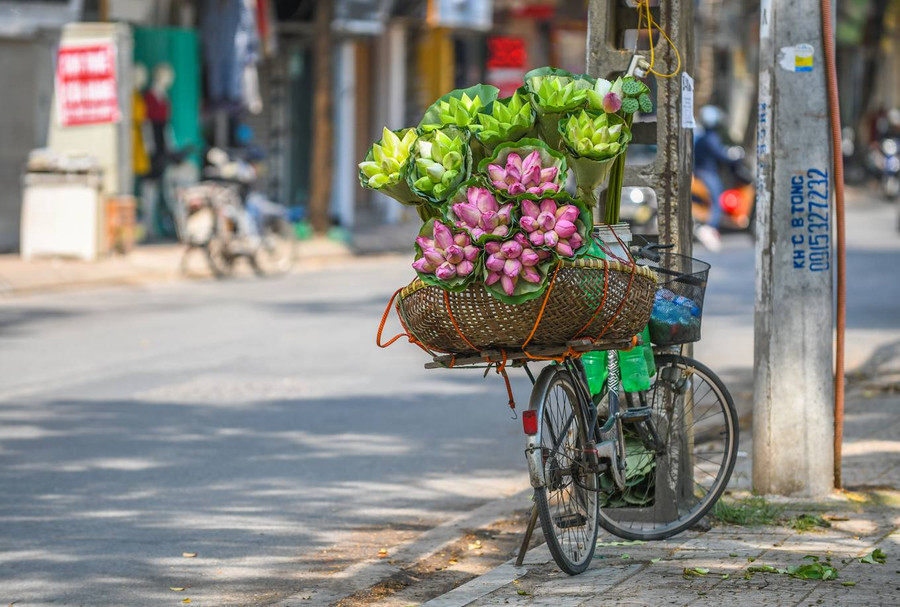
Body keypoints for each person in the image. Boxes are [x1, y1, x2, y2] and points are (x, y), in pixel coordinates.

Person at [693, 105, 737, 252]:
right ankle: (710, 228)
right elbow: (721, 154)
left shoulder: (701, 137)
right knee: (717, 201)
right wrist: (732, 154)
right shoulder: (711, 137)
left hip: (699, 171)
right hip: (708, 173)